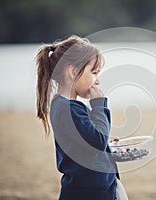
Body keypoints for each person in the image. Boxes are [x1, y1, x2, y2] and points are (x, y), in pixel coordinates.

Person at [35, 35, 128, 200]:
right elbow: (97, 140)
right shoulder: (67, 110)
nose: (97, 81)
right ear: (72, 71)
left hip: (94, 189)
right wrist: (99, 104)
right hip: (88, 193)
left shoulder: (69, 107)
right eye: (94, 73)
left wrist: (108, 148)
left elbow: (89, 143)